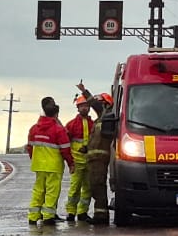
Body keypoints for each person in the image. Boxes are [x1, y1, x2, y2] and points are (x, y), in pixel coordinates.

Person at [26, 96, 74, 225]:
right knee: (52, 192)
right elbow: (65, 150)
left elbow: (29, 147)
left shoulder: (34, 129)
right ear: (56, 114)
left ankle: (33, 216)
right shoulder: (58, 130)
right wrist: (71, 164)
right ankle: (48, 216)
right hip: (53, 166)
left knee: (38, 190)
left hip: (38, 165)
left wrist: (34, 159)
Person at [77, 82, 113, 224]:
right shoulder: (100, 119)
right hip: (94, 158)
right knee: (95, 186)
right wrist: (86, 148)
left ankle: (101, 217)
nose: (96, 106)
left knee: (98, 185)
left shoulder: (107, 116)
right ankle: (100, 215)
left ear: (106, 104)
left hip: (100, 158)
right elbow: (95, 139)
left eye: (100, 103)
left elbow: (93, 103)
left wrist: (85, 91)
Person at [64, 95, 95, 222]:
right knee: (74, 188)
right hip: (77, 161)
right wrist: (70, 162)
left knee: (87, 188)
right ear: (78, 108)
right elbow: (65, 143)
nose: (85, 108)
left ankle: (83, 212)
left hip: (89, 161)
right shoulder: (71, 125)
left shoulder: (93, 124)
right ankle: (71, 212)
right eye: (82, 106)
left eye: (86, 106)